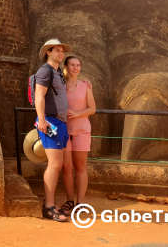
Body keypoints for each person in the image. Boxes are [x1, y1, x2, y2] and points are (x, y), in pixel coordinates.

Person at [34, 38, 71, 223]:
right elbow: (39, 95)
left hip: (61, 123)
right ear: (48, 52)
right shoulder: (45, 71)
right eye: (56, 50)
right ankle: (49, 206)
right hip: (49, 122)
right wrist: (41, 119)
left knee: (59, 165)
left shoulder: (58, 73)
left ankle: (50, 204)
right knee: (55, 164)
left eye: (62, 51)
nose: (60, 53)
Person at [60, 55, 96, 217]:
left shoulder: (86, 85)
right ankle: (69, 201)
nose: (76, 68)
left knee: (81, 167)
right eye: (72, 65)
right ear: (66, 67)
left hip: (82, 130)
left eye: (78, 65)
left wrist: (77, 113)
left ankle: (80, 203)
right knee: (66, 168)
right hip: (63, 130)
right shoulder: (59, 86)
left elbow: (92, 109)